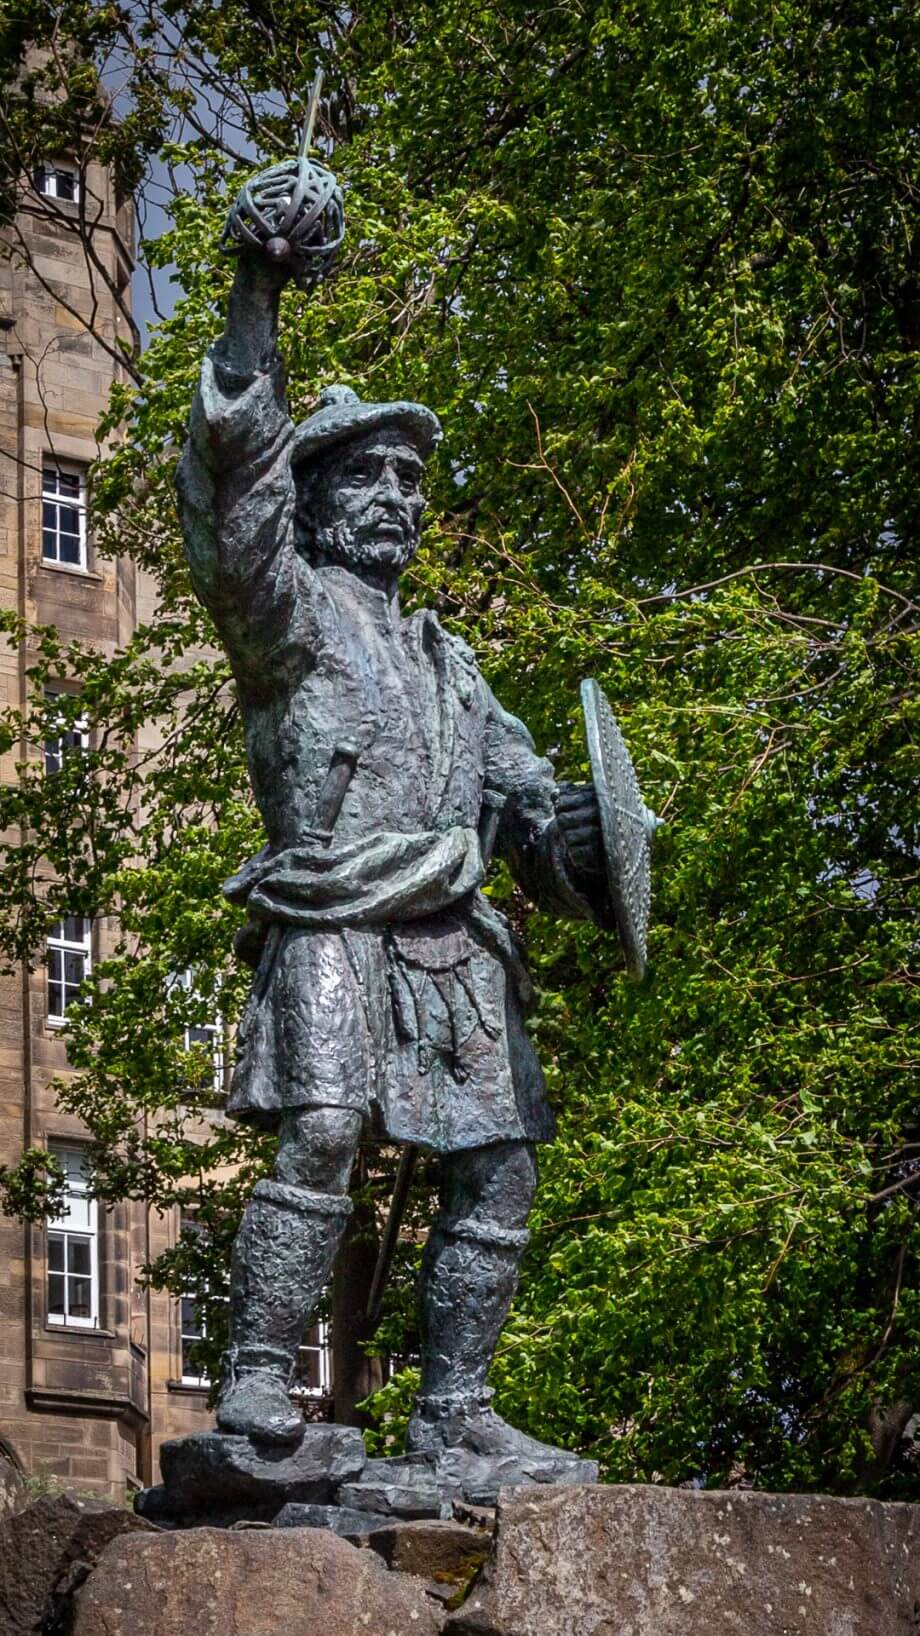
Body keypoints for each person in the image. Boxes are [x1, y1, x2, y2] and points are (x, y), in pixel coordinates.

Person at [176, 213, 611, 1481]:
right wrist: (258, 287)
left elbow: (525, 798)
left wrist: (566, 826)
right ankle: (260, 1377)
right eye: (365, 476)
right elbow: (229, 478)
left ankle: (454, 1414)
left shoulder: (451, 662)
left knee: (505, 1160)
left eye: (410, 482)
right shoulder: (285, 615)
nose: (396, 500)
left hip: (451, 931)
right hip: (329, 911)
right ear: (312, 499)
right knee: (321, 1128)